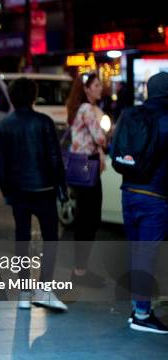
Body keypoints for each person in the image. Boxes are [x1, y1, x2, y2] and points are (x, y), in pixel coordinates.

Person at [0, 78, 69, 311]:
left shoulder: (4, 125)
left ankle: (24, 292)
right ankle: (44, 289)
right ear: (33, 97)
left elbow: (0, 164)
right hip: (44, 190)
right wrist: (61, 189)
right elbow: (55, 159)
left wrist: (7, 191)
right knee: (50, 239)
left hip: (19, 192)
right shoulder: (44, 122)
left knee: (22, 239)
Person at [117, 72, 168, 334]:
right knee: (147, 254)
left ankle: (137, 306)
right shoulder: (166, 118)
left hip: (128, 191)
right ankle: (142, 314)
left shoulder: (130, 114)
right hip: (155, 196)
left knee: (137, 251)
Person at [65, 72, 108, 286]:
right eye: (97, 85)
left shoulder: (83, 109)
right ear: (87, 89)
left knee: (87, 218)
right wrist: (106, 134)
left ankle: (80, 270)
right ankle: (79, 271)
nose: (101, 88)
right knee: (88, 219)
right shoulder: (87, 109)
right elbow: (101, 136)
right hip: (86, 167)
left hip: (84, 166)